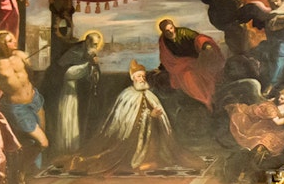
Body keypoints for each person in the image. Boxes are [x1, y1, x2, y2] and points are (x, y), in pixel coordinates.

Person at [66, 60, 205, 175]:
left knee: (160, 158)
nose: (142, 79)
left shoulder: (150, 94)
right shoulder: (126, 96)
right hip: (131, 142)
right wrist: (149, 115)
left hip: (153, 138)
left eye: (143, 76)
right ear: (133, 78)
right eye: (139, 76)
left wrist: (157, 115)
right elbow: (126, 122)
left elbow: (160, 118)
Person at [0, 30, 47, 184]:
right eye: (10, 41)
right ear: (2, 44)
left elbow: (30, 75)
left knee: (39, 142)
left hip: (35, 100)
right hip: (17, 108)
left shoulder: (22, 56)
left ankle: (29, 167)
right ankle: (21, 171)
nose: (14, 42)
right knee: (43, 143)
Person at [45, 30, 102, 159]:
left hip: (85, 94)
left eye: (97, 45)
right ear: (87, 42)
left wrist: (94, 67)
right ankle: (69, 149)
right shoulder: (75, 52)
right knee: (70, 119)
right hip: (70, 92)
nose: (95, 47)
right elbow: (67, 73)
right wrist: (88, 66)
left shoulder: (90, 54)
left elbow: (95, 74)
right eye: (93, 44)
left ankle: (82, 148)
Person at [154, 19, 225, 110]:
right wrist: (162, 67)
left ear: (173, 27)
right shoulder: (163, 41)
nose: (170, 31)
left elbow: (199, 38)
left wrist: (205, 45)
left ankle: (210, 97)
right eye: (167, 31)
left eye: (171, 28)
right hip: (181, 64)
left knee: (205, 75)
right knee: (187, 77)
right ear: (163, 32)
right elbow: (166, 56)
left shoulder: (184, 32)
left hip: (197, 59)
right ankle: (204, 99)